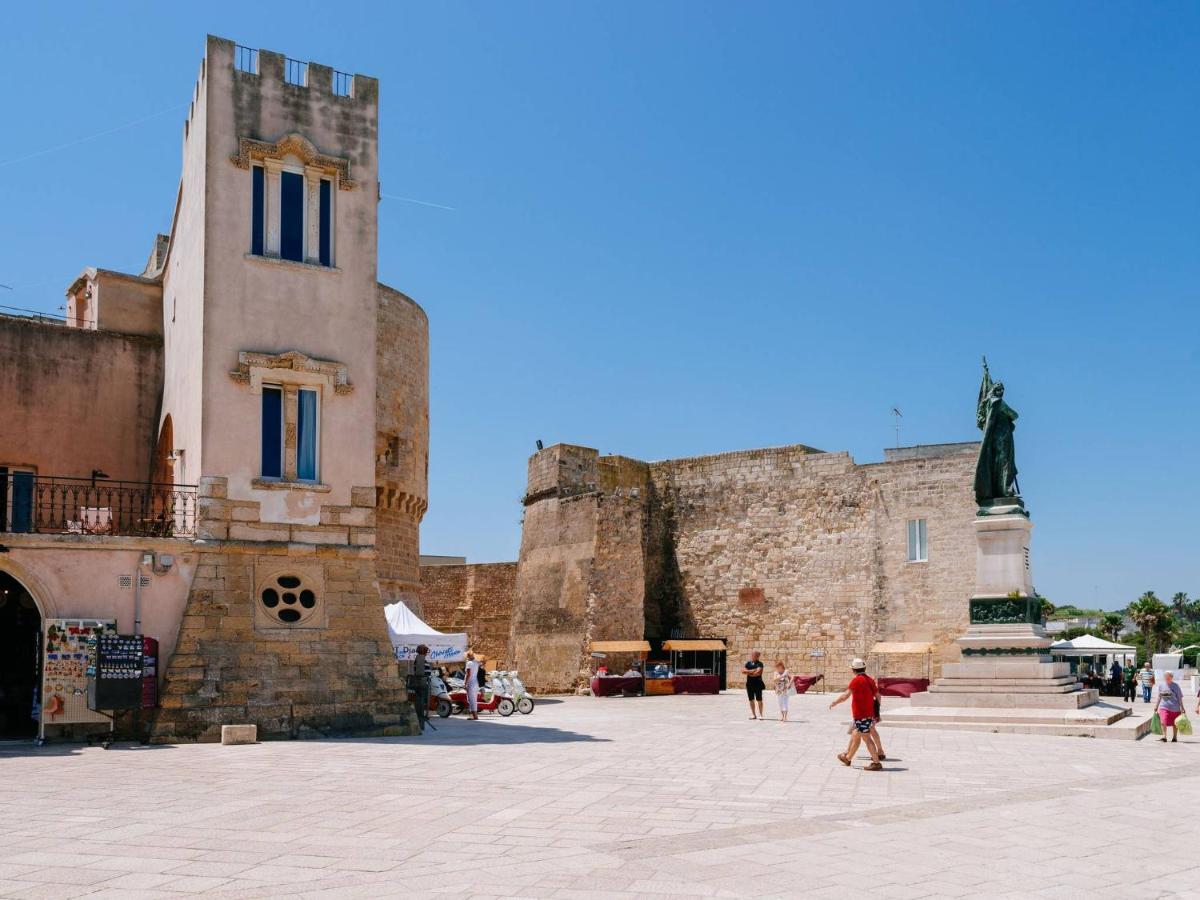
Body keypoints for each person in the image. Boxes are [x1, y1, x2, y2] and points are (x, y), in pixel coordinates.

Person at [829, 658, 883, 771]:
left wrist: (835, 702)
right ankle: (847, 758)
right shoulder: (870, 680)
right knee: (856, 734)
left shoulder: (856, 681)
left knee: (867, 738)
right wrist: (876, 711)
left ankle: (876, 762)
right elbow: (878, 696)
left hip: (861, 715)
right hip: (868, 714)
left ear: (854, 670)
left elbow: (845, 695)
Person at [1153, 671, 1184, 743]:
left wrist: (1182, 707)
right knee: (1163, 721)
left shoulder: (1176, 686)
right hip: (1164, 707)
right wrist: (1156, 706)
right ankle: (1164, 737)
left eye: (1168, 676)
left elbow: (1179, 697)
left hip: (1175, 708)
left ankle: (1174, 737)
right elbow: (1159, 697)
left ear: (1171, 677)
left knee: (1175, 723)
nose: (1167, 678)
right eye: (1165, 676)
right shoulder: (1161, 686)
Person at [411, 644, 431, 732]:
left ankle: (421, 721)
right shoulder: (421, 658)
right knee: (421, 702)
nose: (426, 653)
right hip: (422, 684)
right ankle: (420, 722)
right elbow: (420, 672)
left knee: (421, 702)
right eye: (426, 651)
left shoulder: (419, 658)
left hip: (422, 683)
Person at [744, 651, 765, 720]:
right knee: (751, 699)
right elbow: (743, 671)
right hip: (749, 684)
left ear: (757, 656)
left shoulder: (760, 664)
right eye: (752, 655)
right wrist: (753, 671)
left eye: (754, 655)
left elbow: (758, 673)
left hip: (758, 684)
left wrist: (749, 672)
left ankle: (761, 715)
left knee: (759, 699)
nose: (752, 656)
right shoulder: (748, 663)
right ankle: (753, 714)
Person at [464, 651, 480, 721]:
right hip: (475, 682)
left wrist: (465, 683)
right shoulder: (476, 663)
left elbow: (468, 674)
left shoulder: (469, 663)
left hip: (470, 682)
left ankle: (474, 716)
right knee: (474, 699)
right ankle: (474, 715)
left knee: (471, 700)